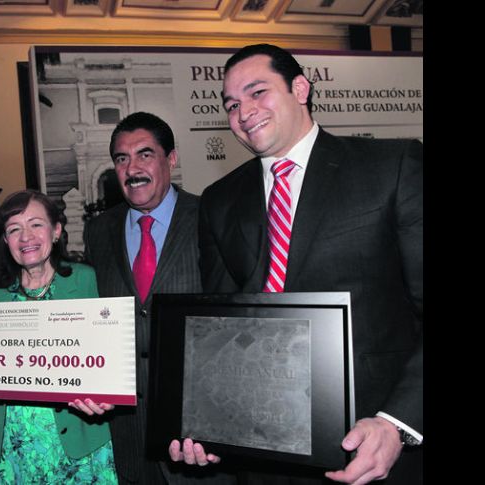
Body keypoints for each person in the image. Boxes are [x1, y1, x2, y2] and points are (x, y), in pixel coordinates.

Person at [170, 44, 422, 484]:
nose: (244, 112)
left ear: (300, 89)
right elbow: (219, 327)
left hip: (374, 439)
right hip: (261, 446)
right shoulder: (219, 200)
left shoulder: (393, 166)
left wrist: (398, 421)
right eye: (231, 105)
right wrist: (204, 420)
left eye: (257, 92)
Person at [83, 112, 235, 485]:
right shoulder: (99, 231)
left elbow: (233, 320)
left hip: (199, 431)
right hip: (126, 433)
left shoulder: (210, 216)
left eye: (145, 154)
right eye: (121, 158)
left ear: (172, 159)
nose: (132, 168)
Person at [0, 189, 118, 484]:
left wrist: (108, 394)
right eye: (14, 229)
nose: (25, 237)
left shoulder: (87, 280)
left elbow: (112, 359)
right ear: (6, 241)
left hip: (79, 448)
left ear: (56, 231)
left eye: (36, 224)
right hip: (14, 449)